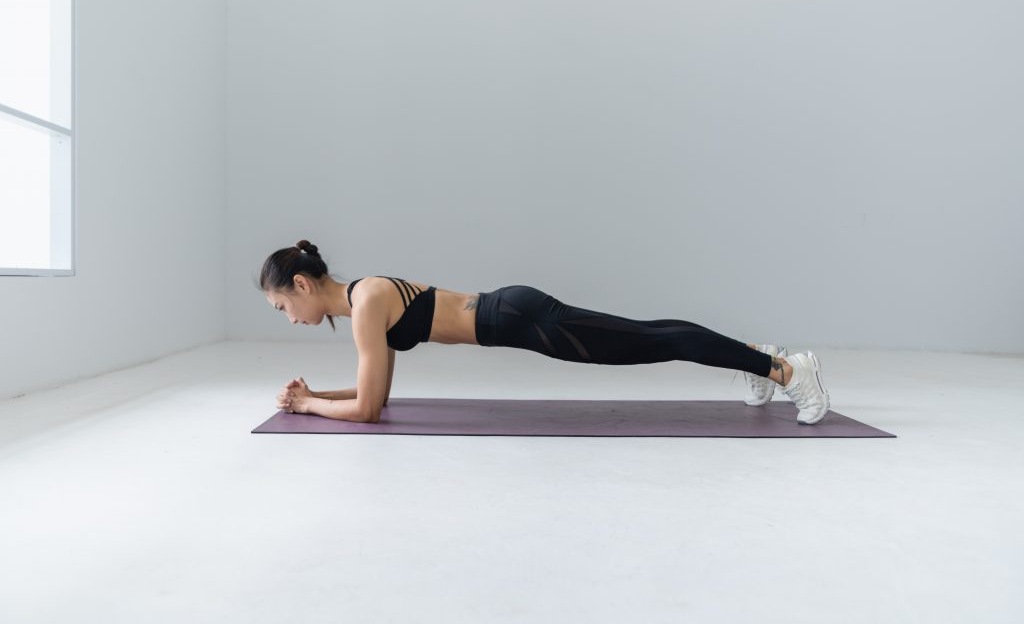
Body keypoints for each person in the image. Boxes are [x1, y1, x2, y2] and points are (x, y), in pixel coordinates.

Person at [258, 239, 830, 425]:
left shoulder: (366, 304)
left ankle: (788, 371)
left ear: (304, 285)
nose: (289, 318)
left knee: (655, 341)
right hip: (515, 313)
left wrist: (309, 406)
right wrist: (314, 396)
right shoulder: (365, 297)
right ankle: (760, 356)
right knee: (652, 335)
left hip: (521, 319)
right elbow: (371, 390)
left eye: (283, 306)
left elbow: (370, 409)